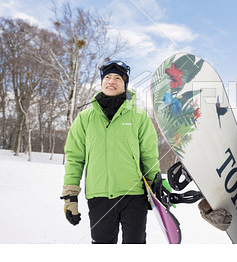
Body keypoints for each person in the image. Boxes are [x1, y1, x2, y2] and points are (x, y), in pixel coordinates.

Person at [61, 60, 167, 244]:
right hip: (99, 196)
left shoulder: (139, 117)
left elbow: (149, 156)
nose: (111, 81)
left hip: (134, 197)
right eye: (107, 77)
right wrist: (70, 195)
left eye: (118, 78)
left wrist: (155, 186)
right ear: (102, 82)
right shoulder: (85, 118)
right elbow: (74, 158)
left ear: (125, 84)